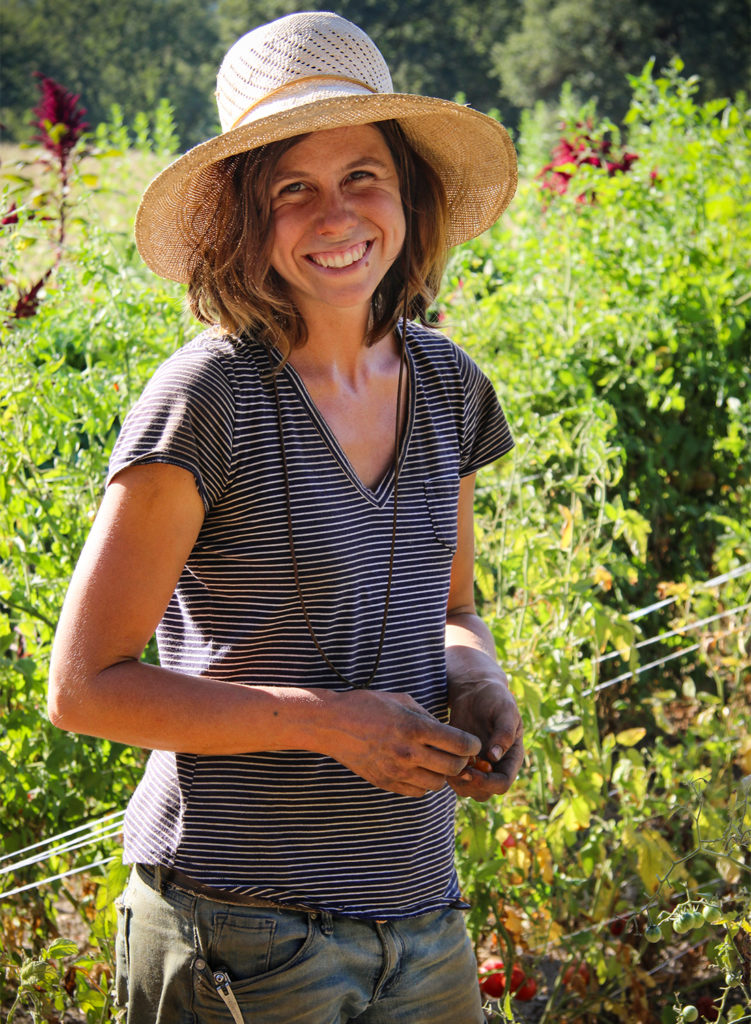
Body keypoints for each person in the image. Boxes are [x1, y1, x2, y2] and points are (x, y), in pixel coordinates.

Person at [48, 11, 523, 1023]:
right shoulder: (208, 399)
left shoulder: (449, 387)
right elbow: (85, 687)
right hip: (238, 929)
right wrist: (328, 724)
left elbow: (450, 610)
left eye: (361, 176)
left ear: (407, 192)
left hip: (422, 918)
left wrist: (476, 680)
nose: (334, 215)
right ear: (242, 219)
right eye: (290, 189)